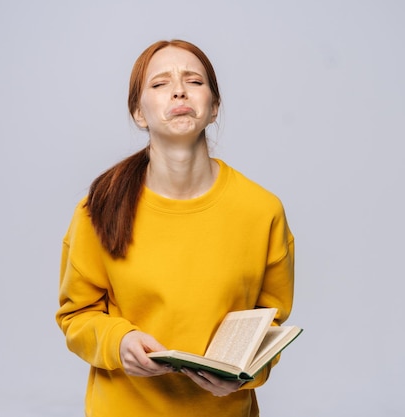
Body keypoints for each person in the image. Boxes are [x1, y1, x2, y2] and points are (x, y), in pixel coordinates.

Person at [56, 39, 295, 417]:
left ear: (214, 107)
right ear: (138, 112)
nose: (179, 89)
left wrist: (248, 373)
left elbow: (271, 324)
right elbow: (76, 315)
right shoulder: (97, 209)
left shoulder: (262, 210)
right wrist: (120, 342)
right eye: (160, 83)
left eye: (195, 81)